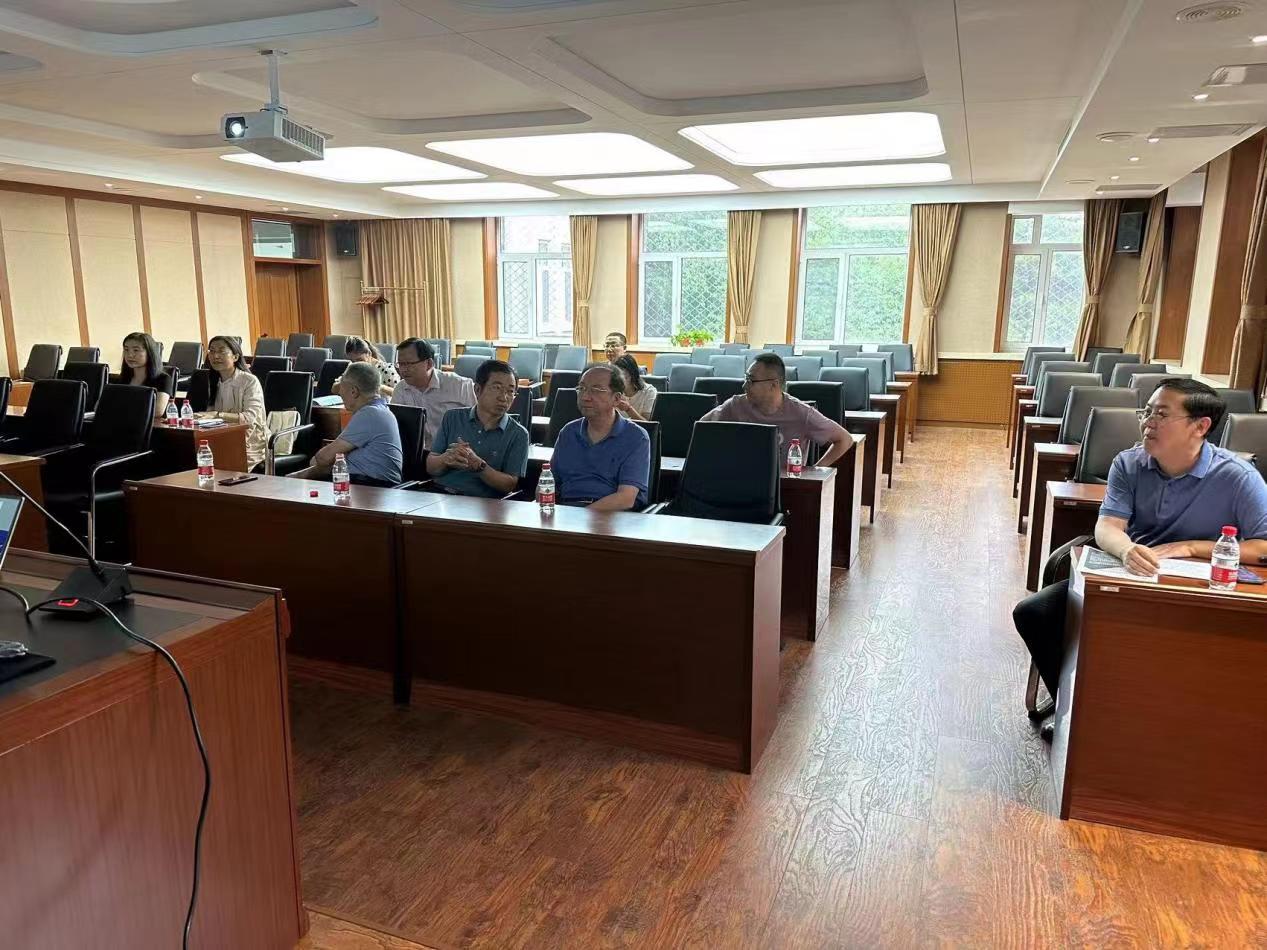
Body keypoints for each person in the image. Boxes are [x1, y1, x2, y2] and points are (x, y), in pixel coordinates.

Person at [1013, 378, 1267, 739]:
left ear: (1200, 426)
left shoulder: (1238, 477)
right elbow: (1107, 527)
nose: (1148, 422)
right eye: (1146, 412)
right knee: (1035, 612)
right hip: (1131, 574)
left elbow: (1262, 546)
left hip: (1196, 590)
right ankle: (1074, 708)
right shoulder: (1129, 463)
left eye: (1161, 415)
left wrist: (1192, 547)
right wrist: (1127, 549)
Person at [701, 352, 853, 467]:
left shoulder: (802, 413)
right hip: (741, 483)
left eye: (750, 380)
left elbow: (844, 439)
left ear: (773, 385)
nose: (744, 386)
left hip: (784, 487)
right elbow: (702, 427)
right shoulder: (735, 406)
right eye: (745, 379)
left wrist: (815, 470)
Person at [551, 364, 650, 511]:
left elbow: (626, 498)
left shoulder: (636, 437)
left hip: (610, 516)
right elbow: (548, 482)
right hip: (566, 511)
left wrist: (580, 517)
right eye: (581, 388)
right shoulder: (568, 432)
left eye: (596, 390)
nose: (585, 397)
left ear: (616, 398)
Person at [426, 359, 529, 497]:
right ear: (477, 390)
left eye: (510, 391)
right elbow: (431, 467)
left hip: (483, 502)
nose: (504, 398)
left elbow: (509, 485)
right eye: (497, 388)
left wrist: (479, 466)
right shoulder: (452, 417)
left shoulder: (518, 434)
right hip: (441, 494)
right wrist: (446, 458)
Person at [293, 361, 402, 485]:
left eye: (341, 387)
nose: (340, 393)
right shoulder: (379, 410)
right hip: (361, 481)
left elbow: (323, 458)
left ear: (353, 391)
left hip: (370, 485)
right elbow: (325, 461)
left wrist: (311, 466)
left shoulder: (369, 414)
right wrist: (297, 475)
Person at [390, 337, 475, 450]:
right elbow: (395, 427)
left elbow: (480, 420)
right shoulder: (401, 389)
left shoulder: (460, 385)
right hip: (420, 453)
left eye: (409, 364)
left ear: (429, 363)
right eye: (401, 364)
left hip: (457, 451)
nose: (403, 370)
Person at [200, 335, 267, 471]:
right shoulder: (211, 381)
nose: (215, 356)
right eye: (212, 351)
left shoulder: (249, 381)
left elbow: (249, 418)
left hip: (250, 442)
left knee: (222, 464)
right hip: (220, 439)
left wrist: (217, 415)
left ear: (235, 357)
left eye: (221, 351)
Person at [115, 331, 171, 416]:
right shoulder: (123, 378)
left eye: (136, 350)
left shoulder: (163, 379)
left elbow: (157, 411)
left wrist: (121, 408)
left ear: (149, 353)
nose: (130, 355)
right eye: (126, 350)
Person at [334, 336, 399, 397]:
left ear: (369, 354)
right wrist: (346, 382)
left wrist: (379, 387)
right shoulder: (352, 367)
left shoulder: (386, 370)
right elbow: (334, 389)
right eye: (352, 361)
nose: (357, 364)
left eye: (360, 360)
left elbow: (399, 395)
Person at [611, 353, 656, 421]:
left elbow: (647, 424)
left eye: (624, 376)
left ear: (632, 374)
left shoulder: (649, 391)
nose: (619, 380)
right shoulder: (613, 391)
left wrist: (628, 409)